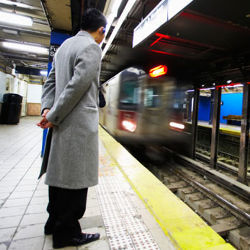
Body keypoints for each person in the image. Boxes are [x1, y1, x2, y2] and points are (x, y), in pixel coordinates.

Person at [37, 8, 107, 249]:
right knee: (76, 181)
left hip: (60, 123)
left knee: (58, 176)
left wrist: (47, 110)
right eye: (103, 33)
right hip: (77, 126)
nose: (102, 38)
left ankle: (53, 222)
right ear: (101, 30)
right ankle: (67, 233)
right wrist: (53, 115)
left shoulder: (64, 47)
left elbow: (51, 83)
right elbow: (77, 87)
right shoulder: (92, 48)